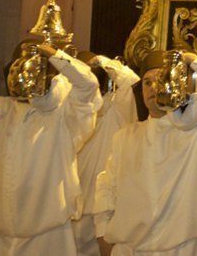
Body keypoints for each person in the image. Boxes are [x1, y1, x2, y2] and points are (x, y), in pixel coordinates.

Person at [93, 50, 197, 255]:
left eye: (161, 79)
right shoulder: (125, 137)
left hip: (185, 247)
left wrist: (193, 60)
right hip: (131, 248)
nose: (153, 87)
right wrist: (102, 234)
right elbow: (107, 187)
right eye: (147, 82)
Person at [0, 44, 101, 255]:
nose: (22, 75)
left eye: (32, 69)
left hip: (47, 237)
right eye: (16, 69)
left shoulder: (64, 113)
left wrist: (56, 56)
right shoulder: (0, 108)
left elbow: (88, 86)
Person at [72, 51, 140, 256]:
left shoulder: (117, 107)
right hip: (73, 208)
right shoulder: (70, 110)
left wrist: (101, 60)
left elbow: (130, 80)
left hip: (104, 210)